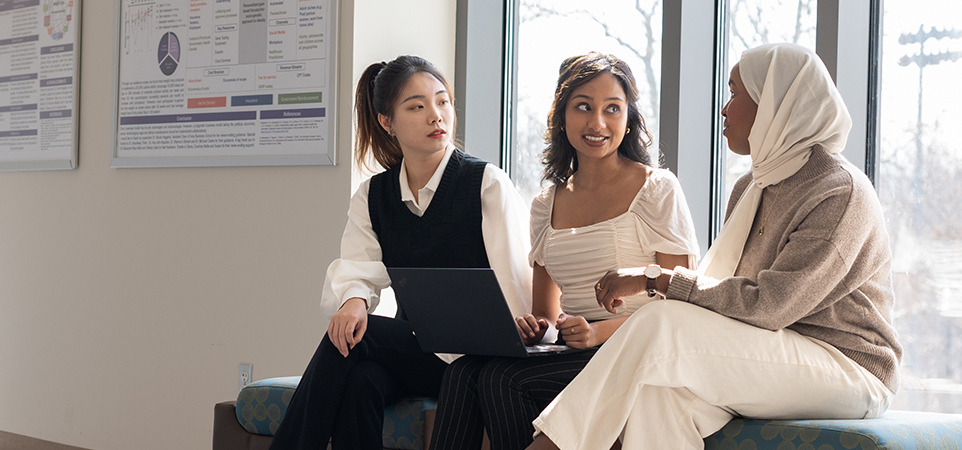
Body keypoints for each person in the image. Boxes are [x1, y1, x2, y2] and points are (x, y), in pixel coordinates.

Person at [525, 43, 902, 450]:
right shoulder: (751, 187)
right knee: (657, 393)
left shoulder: (837, 191)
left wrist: (656, 279)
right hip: (773, 351)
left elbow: (770, 307)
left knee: (660, 322)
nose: (724, 108)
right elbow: (732, 296)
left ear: (774, 103)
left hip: (845, 366)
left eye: (735, 93)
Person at [426, 52, 699, 450]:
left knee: (501, 378)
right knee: (464, 371)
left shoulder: (656, 189)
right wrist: (537, 328)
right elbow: (546, 315)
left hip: (638, 350)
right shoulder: (545, 204)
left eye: (613, 109)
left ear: (629, 119)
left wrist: (597, 331)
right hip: (577, 351)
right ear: (562, 114)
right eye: (583, 107)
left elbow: (680, 304)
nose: (597, 123)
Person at [270, 55, 533, 450]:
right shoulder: (373, 195)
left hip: (479, 359)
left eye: (443, 102)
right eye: (417, 106)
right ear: (386, 121)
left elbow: (516, 283)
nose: (435, 116)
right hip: (422, 354)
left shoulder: (486, 184)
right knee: (361, 379)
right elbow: (358, 264)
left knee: (362, 336)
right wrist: (355, 299)